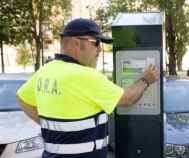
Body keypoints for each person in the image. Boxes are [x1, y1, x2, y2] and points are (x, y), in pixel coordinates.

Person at [16, 18, 160, 158]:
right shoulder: (85, 76)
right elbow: (127, 98)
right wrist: (145, 80)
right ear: (77, 43)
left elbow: (22, 98)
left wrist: (50, 127)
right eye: (96, 43)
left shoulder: (46, 70)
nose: (99, 49)